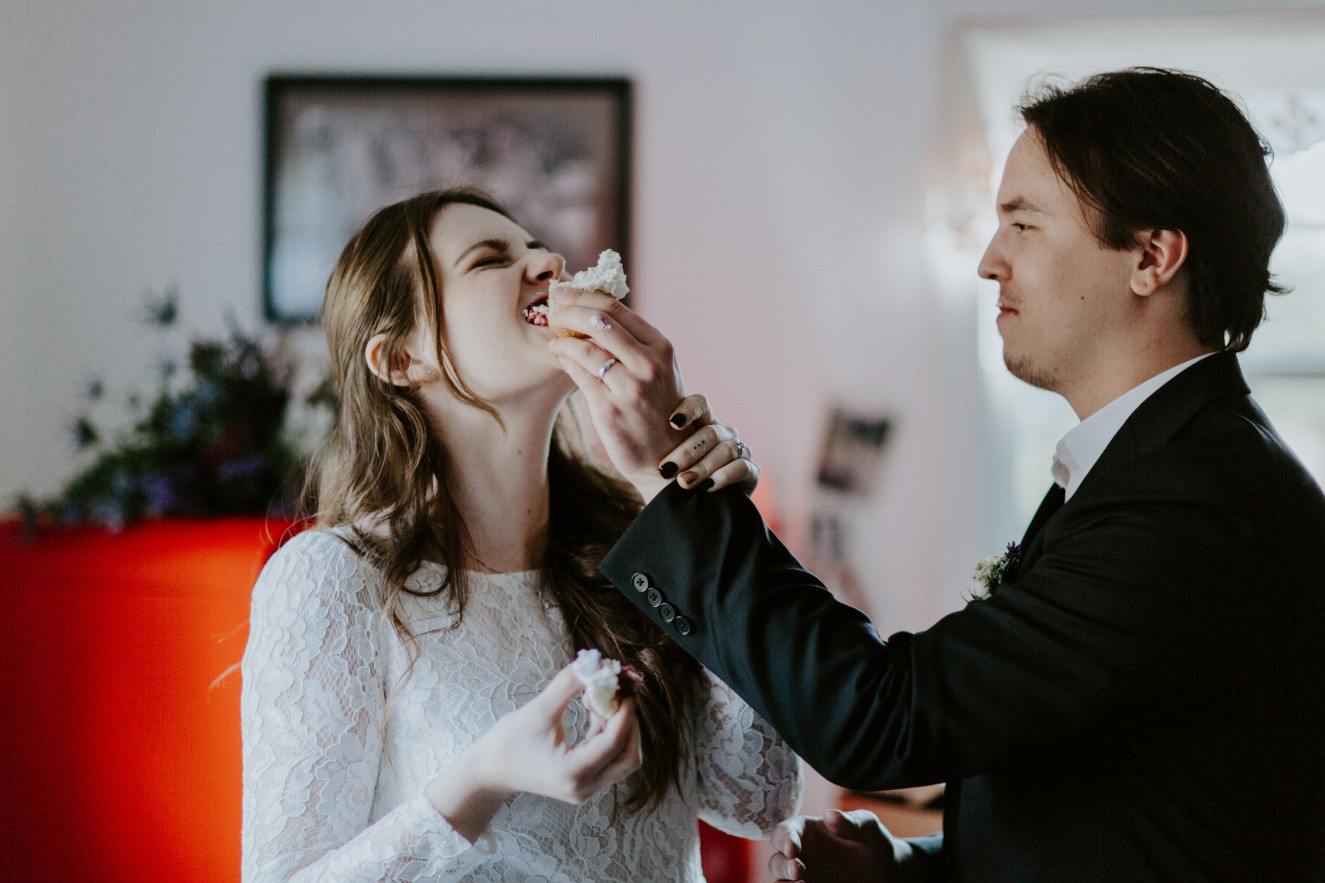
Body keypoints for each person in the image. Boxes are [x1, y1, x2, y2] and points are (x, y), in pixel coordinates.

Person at [547, 68, 1325, 881]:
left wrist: (666, 475)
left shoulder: (1188, 498)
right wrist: (911, 868)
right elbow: (1118, 803)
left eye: (1024, 223)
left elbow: (880, 719)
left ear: (1150, 257)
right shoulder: (1158, 462)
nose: (990, 261)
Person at [239, 187, 803, 882]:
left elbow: (761, 796)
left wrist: (705, 522)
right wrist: (480, 779)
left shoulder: (645, 545)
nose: (548, 262)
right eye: (489, 259)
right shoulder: (332, 579)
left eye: (539, 248)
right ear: (400, 360)